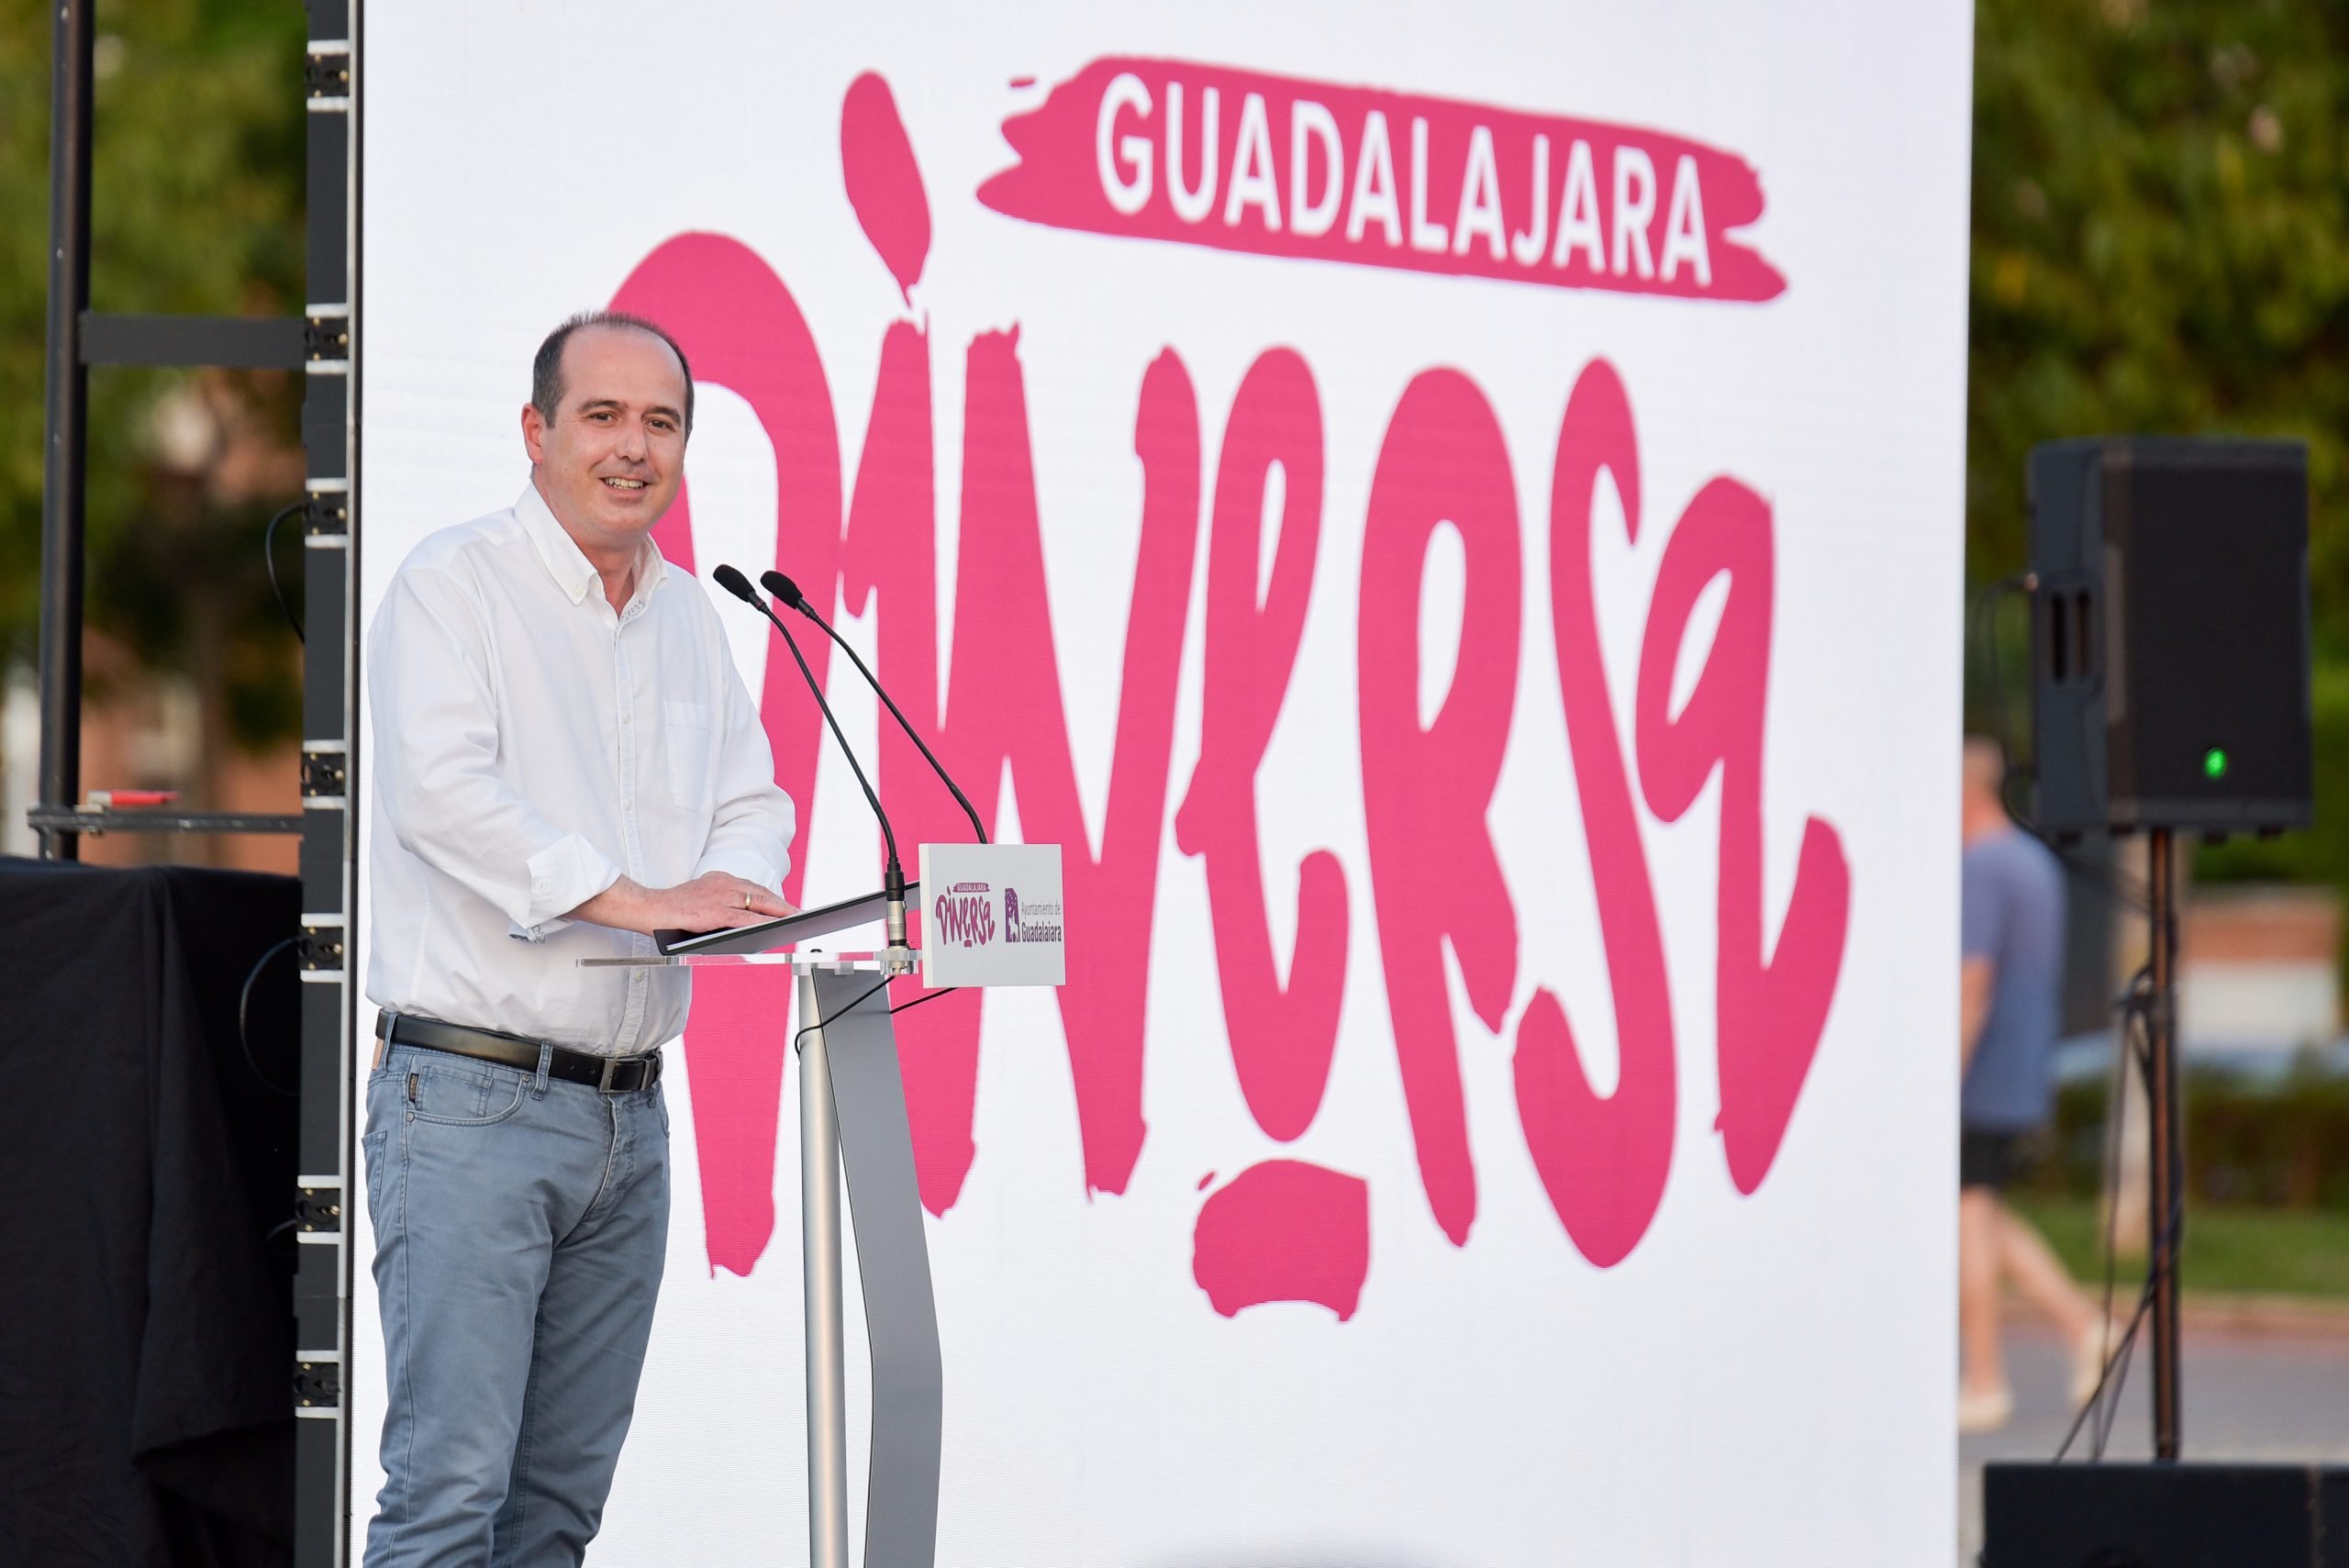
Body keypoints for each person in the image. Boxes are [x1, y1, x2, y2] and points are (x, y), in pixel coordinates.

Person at [362, 311, 798, 1563]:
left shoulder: (690, 621)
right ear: (536, 430)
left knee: (555, 1520)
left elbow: (752, 799)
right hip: (471, 1102)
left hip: (629, 1121)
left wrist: (735, 884)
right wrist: (636, 897)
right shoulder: (453, 587)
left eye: (661, 423)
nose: (633, 448)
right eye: (603, 416)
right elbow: (442, 796)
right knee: (448, 1502)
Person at [1956, 736, 2110, 1434]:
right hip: (2022, 1062)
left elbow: (1973, 980)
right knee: (1981, 1211)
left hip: (1981, 1069)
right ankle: (2081, 1322)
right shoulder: (2032, 860)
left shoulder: (1983, 869)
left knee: (1968, 1219)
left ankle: (1985, 1378)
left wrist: (1946, 1071)